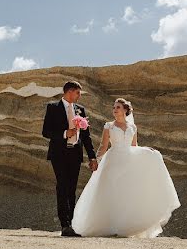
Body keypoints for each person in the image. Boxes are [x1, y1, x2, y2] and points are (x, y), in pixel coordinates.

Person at [71, 98, 180, 238]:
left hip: (128, 162)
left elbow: (134, 146)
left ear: (125, 110)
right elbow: (103, 146)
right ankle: (111, 226)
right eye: (114, 107)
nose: (115, 110)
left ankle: (124, 226)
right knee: (112, 193)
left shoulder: (132, 127)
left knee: (127, 193)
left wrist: (147, 150)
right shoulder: (108, 126)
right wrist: (96, 160)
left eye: (118, 107)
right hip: (113, 161)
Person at [41, 80, 97, 237]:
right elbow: (46, 132)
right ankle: (64, 224)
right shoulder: (53, 108)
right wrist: (65, 133)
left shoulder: (81, 110)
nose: (79, 96)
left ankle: (71, 224)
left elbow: (86, 136)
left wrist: (92, 157)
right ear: (70, 92)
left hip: (75, 154)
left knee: (72, 189)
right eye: (78, 93)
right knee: (62, 186)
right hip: (59, 153)